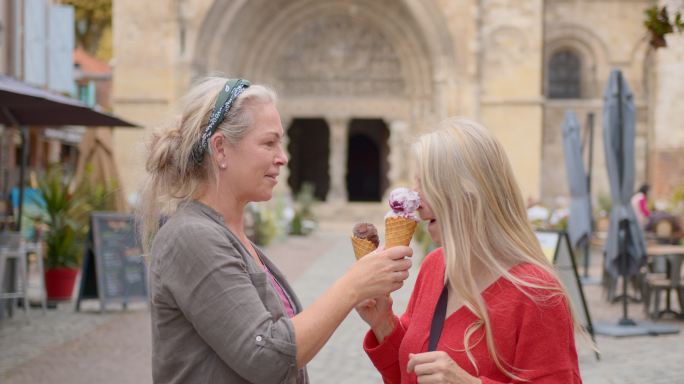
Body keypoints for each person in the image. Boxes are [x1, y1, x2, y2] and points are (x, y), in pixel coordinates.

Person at [139, 77, 413, 384]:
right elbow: (266, 358)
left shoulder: (230, 235)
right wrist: (352, 286)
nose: (283, 157)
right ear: (220, 149)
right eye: (269, 143)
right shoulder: (190, 236)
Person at [357, 118, 582, 383]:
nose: (414, 201)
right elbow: (410, 373)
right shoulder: (435, 265)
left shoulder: (537, 293)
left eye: (425, 184)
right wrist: (383, 323)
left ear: (468, 193)